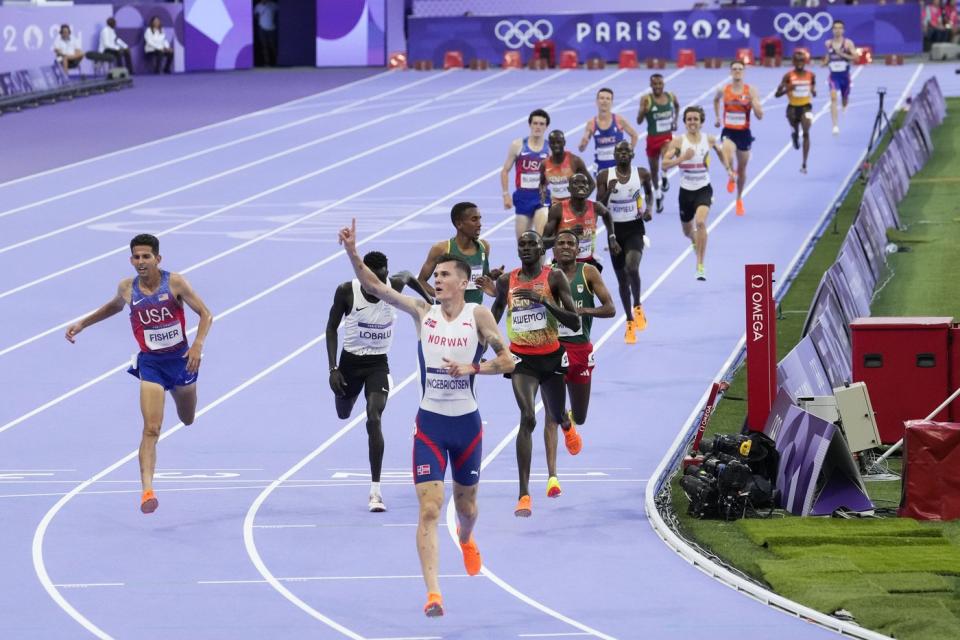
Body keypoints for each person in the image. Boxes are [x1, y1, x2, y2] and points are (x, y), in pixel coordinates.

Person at [338, 219, 514, 618]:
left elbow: (507, 360)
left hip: (466, 427)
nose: (436, 280)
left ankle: (467, 541)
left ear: (463, 281)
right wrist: (352, 253)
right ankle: (434, 593)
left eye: (444, 275)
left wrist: (473, 370)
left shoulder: (478, 316)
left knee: (466, 508)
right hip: (430, 426)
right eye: (435, 275)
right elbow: (376, 287)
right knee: (431, 510)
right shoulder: (422, 312)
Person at [65, 234, 212, 514]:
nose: (141, 262)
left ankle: (182, 394)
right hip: (151, 365)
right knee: (151, 428)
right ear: (131, 259)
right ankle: (147, 491)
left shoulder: (175, 282)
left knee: (187, 418)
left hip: (181, 362)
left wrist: (197, 346)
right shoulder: (126, 287)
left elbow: (206, 314)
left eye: (146, 257)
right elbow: (113, 307)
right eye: (136, 257)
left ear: (158, 258)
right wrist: (83, 323)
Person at [326, 252, 432, 512]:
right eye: (376, 279)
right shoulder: (346, 292)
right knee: (343, 413)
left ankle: (375, 491)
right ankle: (344, 397)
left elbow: (407, 275)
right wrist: (333, 369)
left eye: (384, 276)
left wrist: (431, 301)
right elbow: (330, 328)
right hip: (350, 364)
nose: (382, 285)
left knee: (374, 416)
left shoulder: (392, 286)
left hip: (377, 364)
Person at [491, 231, 581, 518]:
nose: (527, 248)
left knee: (555, 415)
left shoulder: (554, 278)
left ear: (543, 248)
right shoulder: (508, 280)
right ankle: (524, 494)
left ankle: (567, 427)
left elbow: (574, 321)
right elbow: (491, 318)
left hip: (552, 356)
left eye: (532, 244)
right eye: (522, 245)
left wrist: (544, 302)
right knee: (528, 417)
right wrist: (480, 347)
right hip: (522, 360)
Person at [543, 230, 615, 498]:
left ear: (577, 249)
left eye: (570, 243)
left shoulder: (589, 273)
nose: (564, 247)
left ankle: (570, 424)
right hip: (551, 349)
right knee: (551, 413)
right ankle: (552, 477)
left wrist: (583, 310)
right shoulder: (545, 274)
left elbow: (610, 308)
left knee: (580, 416)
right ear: (554, 249)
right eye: (559, 242)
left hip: (580, 350)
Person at [663, 106, 734, 281]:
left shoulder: (708, 139)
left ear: (701, 122)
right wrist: (682, 158)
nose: (692, 122)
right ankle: (696, 242)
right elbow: (664, 164)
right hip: (685, 192)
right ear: (685, 122)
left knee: (700, 222)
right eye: (689, 119)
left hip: (703, 189)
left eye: (695, 119)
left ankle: (700, 265)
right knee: (688, 232)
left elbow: (719, 152)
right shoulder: (678, 142)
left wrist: (729, 170)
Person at [596, 141, 653, 343]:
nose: (622, 154)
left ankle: (637, 305)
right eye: (618, 151)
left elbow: (650, 194)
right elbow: (599, 207)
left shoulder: (643, 174)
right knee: (622, 281)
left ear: (632, 154)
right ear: (614, 154)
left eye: (625, 151)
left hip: (635, 229)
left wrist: (649, 210)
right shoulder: (604, 176)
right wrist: (609, 191)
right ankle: (629, 321)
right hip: (614, 231)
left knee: (631, 267)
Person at [416, 202, 502, 305]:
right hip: (447, 312)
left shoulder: (484, 247)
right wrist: (439, 293)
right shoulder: (442, 249)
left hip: (473, 313)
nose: (479, 224)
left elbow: (476, 278)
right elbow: (421, 281)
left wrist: (491, 276)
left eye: (479, 219)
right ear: (459, 224)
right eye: (474, 219)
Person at [541, 173, 621, 273]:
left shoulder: (595, 207)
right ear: (568, 189)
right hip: (562, 266)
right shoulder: (557, 209)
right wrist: (567, 234)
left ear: (588, 188)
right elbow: (543, 242)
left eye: (584, 183)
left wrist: (612, 237)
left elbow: (607, 214)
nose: (581, 185)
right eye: (576, 183)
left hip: (588, 263)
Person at [713, 60, 763, 217]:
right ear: (730, 72)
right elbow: (715, 100)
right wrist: (717, 117)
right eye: (734, 69)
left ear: (744, 72)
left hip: (744, 133)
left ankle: (739, 198)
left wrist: (752, 102)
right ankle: (730, 173)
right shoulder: (723, 90)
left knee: (742, 169)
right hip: (729, 130)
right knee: (726, 149)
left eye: (740, 69)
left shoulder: (751, 90)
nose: (737, 71)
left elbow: (760, 115)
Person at [502, 109, 551, 240]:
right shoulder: (518, 145)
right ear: (530, 125)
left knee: (540, 240)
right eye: (535, 123)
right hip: (523, 198)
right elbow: (505, 170)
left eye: (541, 124)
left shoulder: (550, 148)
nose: (538, 127)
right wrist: (506, 194)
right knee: (523, 243)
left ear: (546, 127)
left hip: (542, 197)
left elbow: (559, 173)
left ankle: (542, 259)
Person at [636, 73, 679, 213]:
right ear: (651, 85)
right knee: (653, 172)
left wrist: (675, 121)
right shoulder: (646, 99)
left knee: (666, 156)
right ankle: (658, 195)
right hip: (652, 140)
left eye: (660, 84)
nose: (657, 86)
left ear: (663, 84)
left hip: (666, 137)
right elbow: (639, 121)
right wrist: (643, 110)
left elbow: (677, 107)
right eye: (655, 84)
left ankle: (665, 176)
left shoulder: (671, 97)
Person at [578, 87, 639, 174]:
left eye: (608, 98)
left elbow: (634, 135)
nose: (605, 101)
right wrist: (582, 144)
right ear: (597, 101)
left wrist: (628, 153)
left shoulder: (619, 120)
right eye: (602, 98)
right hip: (600, 167)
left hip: (619, 166)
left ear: (611, 102)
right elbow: (581, 149)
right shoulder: (591, 123)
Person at [775, 51, 817, 174]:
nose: (799, 64)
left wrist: (813, 92)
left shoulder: (811, 75)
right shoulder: (788, 76)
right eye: (797, 61)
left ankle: (804, 163)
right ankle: (794, 134)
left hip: (806, 107)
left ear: (805, 62)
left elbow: (813, 88)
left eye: (801, 61)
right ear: (793, 62)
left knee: (806, 132)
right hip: (792, 109)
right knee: (796, 128)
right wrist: (787, 89)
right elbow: (777, 95)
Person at [539, 130, 594, 206]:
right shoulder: (544, 164)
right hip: (555, 207)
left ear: (564, 142)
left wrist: (581, 200)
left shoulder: (575, 161)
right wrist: (543, 197)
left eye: (559, 142)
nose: (556, 145)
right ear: (549, 144)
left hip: (573, 207)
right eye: (553, 143)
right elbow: (542, 184)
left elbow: (591, 184)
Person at [824, 20, 857, 136]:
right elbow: (828, 56)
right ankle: (835, 126)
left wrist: (842, 54)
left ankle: (845, 104)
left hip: (845, 77)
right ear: (832, 30)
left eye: (840, 28)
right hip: (833, 77)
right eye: (835, 28)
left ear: (843, 30)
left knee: (844, 99)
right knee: (833, 99)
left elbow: (856, 57)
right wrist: (825, 62)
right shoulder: (828, 43)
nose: (837, 30)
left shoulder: (848, 43)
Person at [254, 0, 279, 67]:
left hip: (272, 28)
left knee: (273, 45)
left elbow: (278, 14)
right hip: (262, 28)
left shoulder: (273, 5)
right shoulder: (258, 6)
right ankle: (267, 62)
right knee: (264, 46)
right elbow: (256, 16)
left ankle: (277, 61)